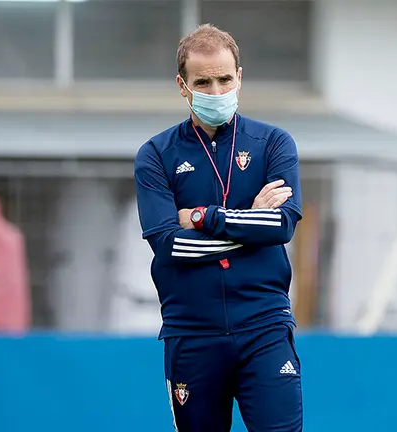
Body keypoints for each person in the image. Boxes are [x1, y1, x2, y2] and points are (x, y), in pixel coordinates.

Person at [134, 24, 304, 432]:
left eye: (225, 79)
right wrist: (249, 223)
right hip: (192, 334)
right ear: (182, 85)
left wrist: (202, 217)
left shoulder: (274, 144)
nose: (215, 91)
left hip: (264, 326)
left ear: (239, 78)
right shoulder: (156, 155)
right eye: (203, 82)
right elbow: (168, 245)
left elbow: (280, 224)